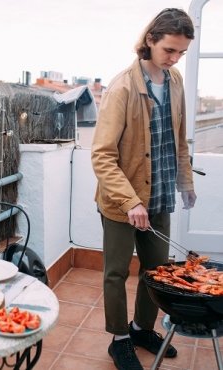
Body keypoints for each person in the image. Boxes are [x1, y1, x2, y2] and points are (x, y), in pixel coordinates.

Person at [91, 8, 197, 370]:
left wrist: (186, 182)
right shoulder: (122, 87)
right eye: (170, 50)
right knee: (117, 273)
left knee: (157, 271)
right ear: (150, 40)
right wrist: (131, 200)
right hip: (123, 203)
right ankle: (119, 339)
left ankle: (141, 329)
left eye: (181, 52)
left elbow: (177, 140)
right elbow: (102, 156)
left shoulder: (176, 80)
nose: (174, 58)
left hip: (161, 195)